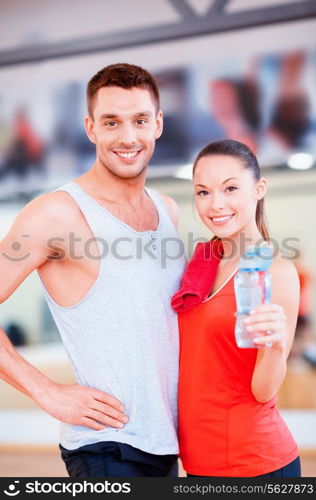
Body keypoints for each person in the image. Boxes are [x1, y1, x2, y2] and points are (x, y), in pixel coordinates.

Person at [0, 63, 186, 477]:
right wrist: (47, 392)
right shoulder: (55, 214)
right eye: (111, 122)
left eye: (139, 120)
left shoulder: (167, 209)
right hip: (106, 446)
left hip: (167, 442)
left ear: (157, 124)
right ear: (90, 128)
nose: (127, 137)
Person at [175, 139, 301, 477]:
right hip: (198, 461)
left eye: (230, 188)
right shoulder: (199, 262)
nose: (216, 204)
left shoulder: (275, 271)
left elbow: (263, 390)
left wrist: (276, 347)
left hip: (254, 461)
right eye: (203, 192)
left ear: (259, 189)